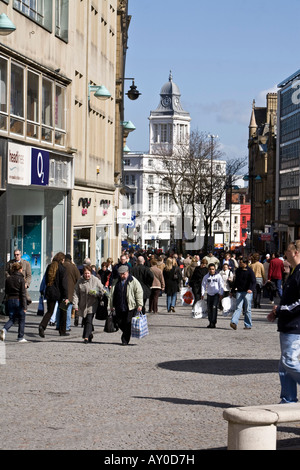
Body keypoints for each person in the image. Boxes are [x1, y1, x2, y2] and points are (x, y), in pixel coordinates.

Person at [267, 240, 300, 403]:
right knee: (284, 366)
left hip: (295, 325)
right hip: (289, 324)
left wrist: (280, 310)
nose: (285, 253)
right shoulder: (294, 271)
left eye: (287, 250)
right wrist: (278, 311)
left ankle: (288, 399)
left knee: (289, 361)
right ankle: (288, 399)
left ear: (295, 253)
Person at [109, 265, 144, 345]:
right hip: (119, 305)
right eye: (120, 274)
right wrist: (111, 305)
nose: (122, 276)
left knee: (128, 322)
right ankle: (126, 332)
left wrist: (139, 304)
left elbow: (138, 293)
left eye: (123, 274)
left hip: (130, 306)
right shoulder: (116, 281)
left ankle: (125, 340)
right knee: (119, 322)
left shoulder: (133, 281)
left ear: (127, 273)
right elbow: (112, 294)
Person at [38, 252, 69, 338]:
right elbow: (64, 284)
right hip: (61, 294)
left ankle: (42, 326)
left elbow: (46, 280)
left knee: (49, 311)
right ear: (62, 260)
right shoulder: (63, 269)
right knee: (63, 312)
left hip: (50, 292)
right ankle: (62, 331)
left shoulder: (50, 266)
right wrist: (66, 297)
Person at [73, 265, 106, 343]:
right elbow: (75, 294)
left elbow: (103, 290)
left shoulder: (95, 280)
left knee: (89, 320)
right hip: (83, 304)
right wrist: (75, 305)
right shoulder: (80, 281)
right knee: (85, 321)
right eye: (85, 273)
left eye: (88, 273)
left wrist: (96, 293)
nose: (87, 275)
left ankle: (86, 337)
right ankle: (90, 334)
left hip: (92, 304)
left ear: (91, 273)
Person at [0, 263, 27, 342]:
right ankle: (20, 337)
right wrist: (24, 306)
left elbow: (7, 291)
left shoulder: (8, 279)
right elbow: (23, 293)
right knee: (22, 318)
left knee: (12, 318)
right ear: (20, 269)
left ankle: (4, 329)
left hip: (10, 300)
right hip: (18, 300)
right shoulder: (21, 279)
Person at [230, 257, 256, 330]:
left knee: (247, 309)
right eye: (239, 262)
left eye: (241, 262)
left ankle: (248, 325)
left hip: (247, 292)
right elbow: (236, 281)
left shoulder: (250, 271)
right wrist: (232, 291)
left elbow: (253, 281)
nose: (239, 264)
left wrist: (251, 289)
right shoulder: (238, 270)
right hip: (239, 291)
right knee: (238, 308)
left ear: (245, 263)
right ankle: (234, 322)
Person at [61, 254, 80, 330]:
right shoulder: (73, 267)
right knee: (68, 309)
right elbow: (78, 279)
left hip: (62, 290)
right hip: (70, 291)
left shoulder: (61, 266)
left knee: (62, 308)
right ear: (71, 259)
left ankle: (59, 325)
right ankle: (67, 326)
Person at [201, 263, 224, 328]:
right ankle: (210, 321)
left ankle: (213, 322)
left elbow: (221, 285)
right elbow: (203, 285)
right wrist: (202, 294)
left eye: (213, 269)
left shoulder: (218, 276)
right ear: (208, 269)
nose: (211, 270)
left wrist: (221, 293)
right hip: (209, 294)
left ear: (215, 269)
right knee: (209, 308)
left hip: (216, 294)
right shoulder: (206, 277)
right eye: (210, 269)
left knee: (214, 307)